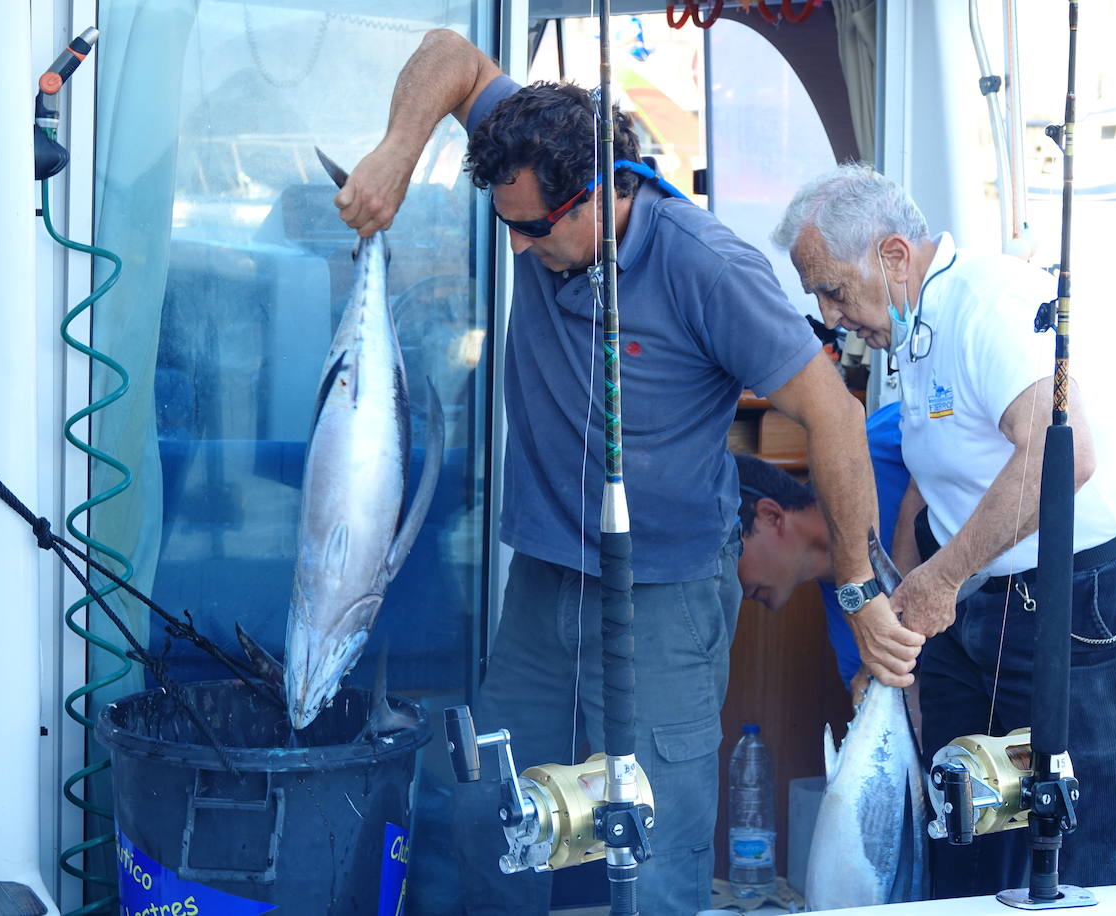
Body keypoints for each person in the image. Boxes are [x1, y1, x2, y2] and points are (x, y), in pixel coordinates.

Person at [333, 31, 922, 915]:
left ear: (599, 193)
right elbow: (450, 54)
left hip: (666, 599)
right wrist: (395, 153)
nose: (520, 253)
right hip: (541, 582)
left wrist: (855, 587)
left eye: (532, 230)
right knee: (493, 813)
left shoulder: (709, 268)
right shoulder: (538, 170)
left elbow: (834, 415)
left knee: (650, 842)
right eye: (507, 229)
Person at [769, 163, 1116, 897]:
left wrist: (944, 577)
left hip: (1091, 601)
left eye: (833, 289)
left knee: (1083, 849)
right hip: (986, 607)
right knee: (957, 826)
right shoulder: (914, 333)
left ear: (893, 256)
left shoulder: (987, 302)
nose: (830, 316)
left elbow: (1063, 452)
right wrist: (894, 634)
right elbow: (923, 494)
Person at [735, 418, 1116, 883]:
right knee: (996, 812)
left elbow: (1000, 440)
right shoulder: (848, 604)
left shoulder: (875, 444)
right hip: (1026, 601)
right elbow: (903, 708)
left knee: (1099, 819)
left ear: (770, 516)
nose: (729, 586)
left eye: (726, 555)